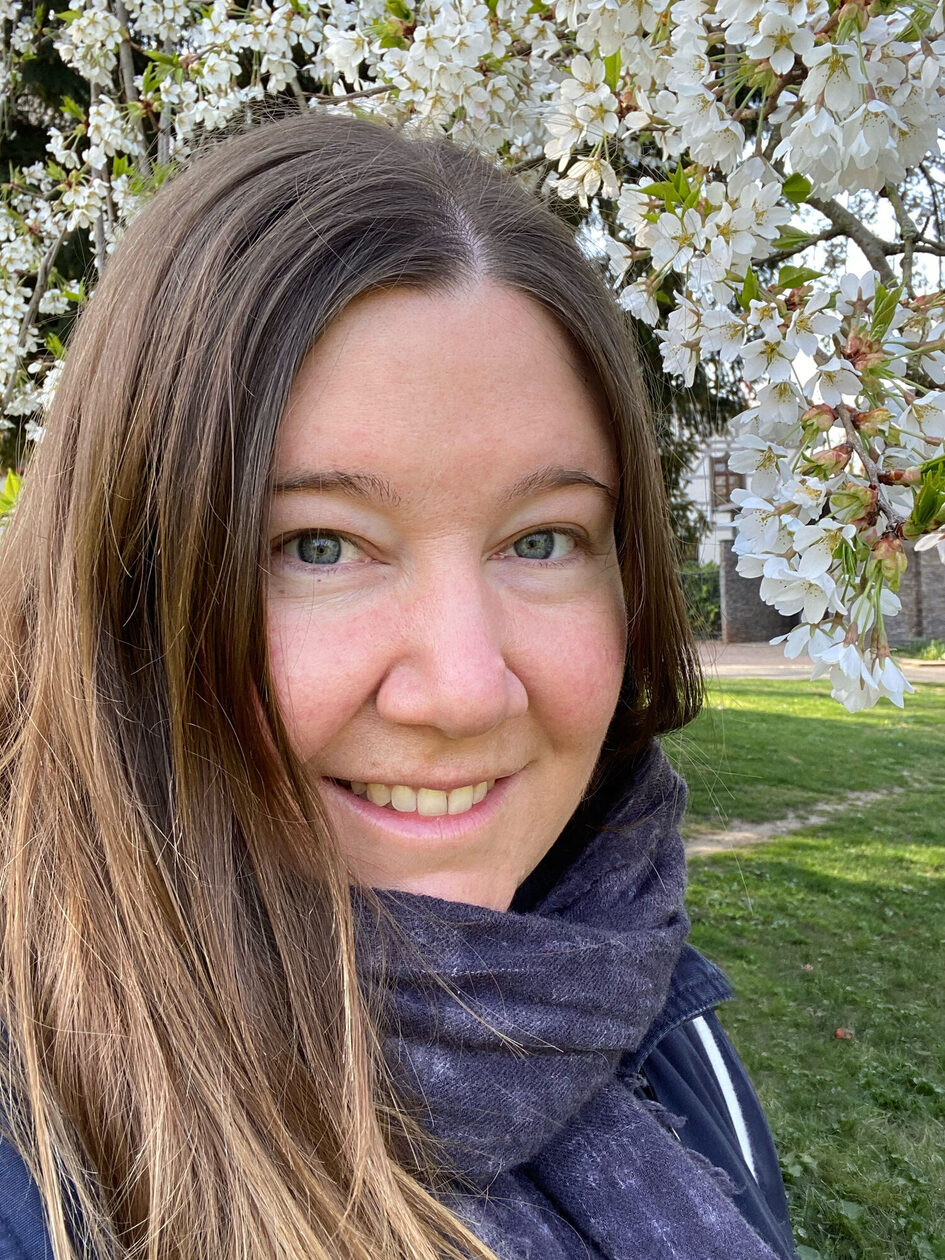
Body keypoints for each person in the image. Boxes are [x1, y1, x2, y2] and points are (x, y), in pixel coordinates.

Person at [0, 109, 798, 1260]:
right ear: (122, 593)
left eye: (542, 540)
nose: (465, 691)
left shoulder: (630, 975)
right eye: (319, 546)